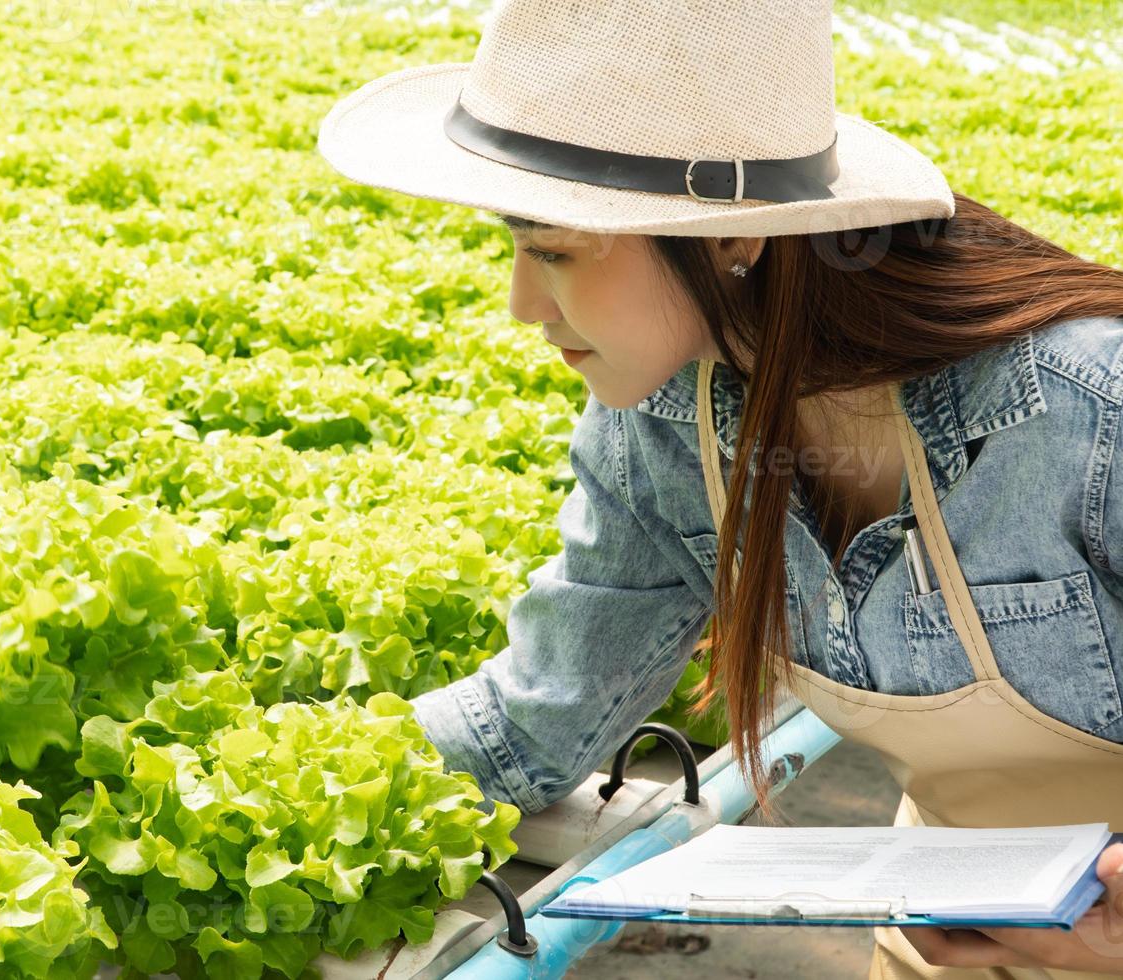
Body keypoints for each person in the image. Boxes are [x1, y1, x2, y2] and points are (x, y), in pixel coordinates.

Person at [316, 1, 1123, 977]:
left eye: (555, 251)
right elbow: (532, 718)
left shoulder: (1088, 413)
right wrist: (294, 785)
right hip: (946, 946)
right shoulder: (661, 424)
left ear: (737, 241)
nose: (521, 305)